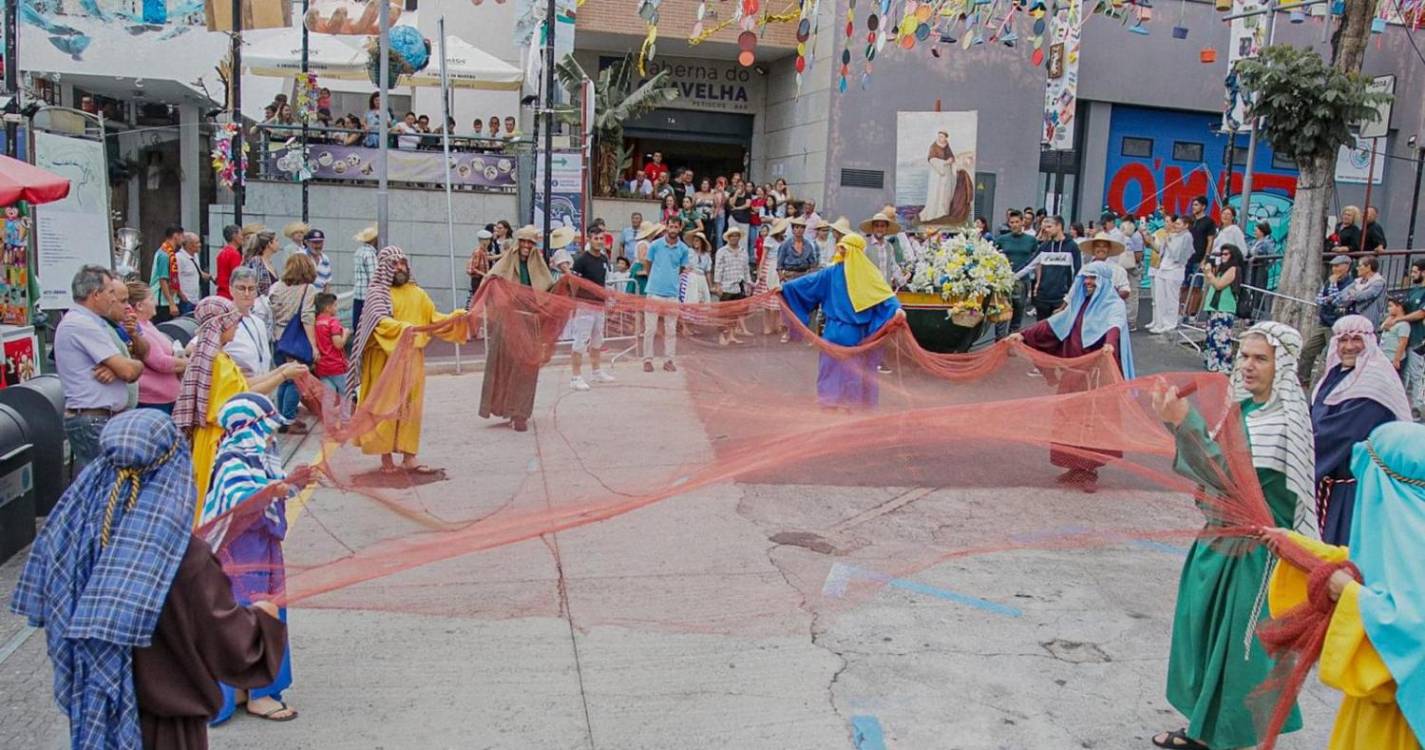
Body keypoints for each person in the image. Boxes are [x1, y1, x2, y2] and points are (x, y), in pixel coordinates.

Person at [9, 409, 288, 750]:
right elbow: (230, 646)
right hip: (168, 729)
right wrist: (262, 619)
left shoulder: (74, 538)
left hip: (98, 714)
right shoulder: (182, 555)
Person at [1149, 322, 1314, 750]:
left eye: (1261, 358)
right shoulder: (1244, 412)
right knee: (1203, 636)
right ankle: (1205, 728)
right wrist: (1180, 426)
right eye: (1243, 356)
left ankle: (1221, 738)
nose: (1247, 365)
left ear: (1282, 365)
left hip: (1254, 555)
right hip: (1220, 541)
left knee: (1239, 652)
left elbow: (1231, 478)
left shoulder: (1283, 424)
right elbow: (1214, 471)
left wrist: (1184, 424)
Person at [1264, 420, 1425, 750]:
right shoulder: (1408, 538)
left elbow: (1411, 630)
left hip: (1401, 723)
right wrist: (1297, 547)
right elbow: (1375, 567)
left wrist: (1348, 592)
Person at [197, 392, 300, 725]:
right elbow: (242, 498)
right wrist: (276, 491)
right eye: (266, 427)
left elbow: (272, 487)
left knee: (265, 611)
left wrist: (293, 483)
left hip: (261, 546)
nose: (271, 435)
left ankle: (247, 687)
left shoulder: (259, 458)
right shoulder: (232, 458)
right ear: (248, 428)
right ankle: (258, 693)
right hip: (238, 551)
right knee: (250, 615)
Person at [1007, 262, 1135, 491]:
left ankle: (1089, 471)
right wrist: (1023, 335)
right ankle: (1074, 466)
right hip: (1074, 374)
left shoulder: (1113, 304)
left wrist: (1109, 345)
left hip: (1096, 376)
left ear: (1104, 281)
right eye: (1086, 278)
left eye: (1093, 278)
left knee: (1091, 422)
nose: (1088, 282)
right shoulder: (1079, 303)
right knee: (1068, 418)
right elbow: (1054, 324)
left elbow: (1114, 326)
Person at [175, 297, 306, 514]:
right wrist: (283, 375)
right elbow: (243, 398)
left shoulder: (218, 357)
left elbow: (244, 385)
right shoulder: (217, 362)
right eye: (233, 322)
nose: (236, 326)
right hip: (218, 441)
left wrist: (280, 371)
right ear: (221, 325)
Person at [349, 247, 469, 469]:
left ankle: (409, 456)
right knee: (385, 408)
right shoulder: (378, 294)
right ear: (384, 267)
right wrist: (403, 329)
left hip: (413, 359)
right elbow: (379, 323)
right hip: (385, 360)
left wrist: (456, 318)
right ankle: (385, 457)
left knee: (411, 408)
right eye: (394, 264)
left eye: (403, 263)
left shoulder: (418, 293)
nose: (400, 268)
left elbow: (433, 319)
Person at [1310, 314, 1411, 545]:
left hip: (1354, 493)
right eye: (1342, 340)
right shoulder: (1335, 375)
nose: (1348, 347)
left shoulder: (1374, 383)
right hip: (1326, 485)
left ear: (1369, 341)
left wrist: (1295, 459)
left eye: (1356, 339)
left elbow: (1339, 434)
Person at [781, 232, 904, 409]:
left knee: (836, 369)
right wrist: (896, 309)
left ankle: (834, 402)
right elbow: (886, 297)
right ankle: (845, 403)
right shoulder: (862, 274)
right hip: (851, 334)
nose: (842, 253)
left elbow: (806, 284)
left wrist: (785, 289)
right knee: (848, 370)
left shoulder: (836, 273)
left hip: (840, 332)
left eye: (844, 249)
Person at [56, 266, 145, 470]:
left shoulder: (93, 323)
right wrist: (129, 366)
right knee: (107, 483)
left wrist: (119, 368)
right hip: (93, 419)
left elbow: (125, 366)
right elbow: (128, 371)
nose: (114, 299)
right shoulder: (81, 324)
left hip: (98, 418)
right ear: (95, 295)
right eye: (111, 292)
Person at [479, 227, 554, 432]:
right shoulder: (505, 263)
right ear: (517, 243)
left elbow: (547, 289)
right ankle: (505, 408)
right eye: (523, 241)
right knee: (505, 367)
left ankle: (520, 413)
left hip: (530, 324)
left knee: (527, 368)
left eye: (530, 243)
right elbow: (489, 283)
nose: (526, 246)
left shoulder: (539, 265)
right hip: (507, 323)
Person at [268, 254, 319, 430]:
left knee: (283, 378)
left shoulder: (276, 287)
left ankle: (281, 417)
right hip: (295, 340)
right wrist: (313, 345)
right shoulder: (308, 289)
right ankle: (288, 419)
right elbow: (307, 317)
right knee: (296, 379)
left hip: (277, 337)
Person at [640, 218, 692, 372]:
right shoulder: (655, 245)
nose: (673, 230)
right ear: (666, 227)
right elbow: (648, 263)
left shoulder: (683, 249)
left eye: (676, 227)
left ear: (680, 228)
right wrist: (653, 278)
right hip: (654, 291)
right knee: (650, 329)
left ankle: (669, 360)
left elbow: (682, 267)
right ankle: (647, 360)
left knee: (671, 330)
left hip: (672, 293)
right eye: (671, 226)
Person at [127, 281, 187, 413]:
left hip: (165, 399)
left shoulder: (147, 324)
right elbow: (160, 362)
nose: (155, 303)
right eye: (151, 299)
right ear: (139, 306)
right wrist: (189, 363)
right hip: (153, 402)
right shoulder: (139, 330)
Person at [1301, 254, 1356, 387]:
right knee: (1307, 350)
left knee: (1333, 355)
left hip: (1337, 324)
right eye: (1333, 266)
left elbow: (1338, 301)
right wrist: (1329, 297)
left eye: (1337, 266)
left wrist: (1333, 285)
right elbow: (1319, 299)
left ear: (1346, 266)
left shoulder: (1351, 284)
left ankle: (1333, 384)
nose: (1334, 269)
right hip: (1324, 321)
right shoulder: (1328, 281)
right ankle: (1303, 380)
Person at [568, 233, 615, 391]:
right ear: (589, 240)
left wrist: (607, 298)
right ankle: (576, 377)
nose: (599, 242)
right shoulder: (581, 260)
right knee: (580, 341)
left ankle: (596, 371)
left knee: (597, 340)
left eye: (601, 239)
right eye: (596, 238)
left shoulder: (603, 259)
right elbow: (574, 282)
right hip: (585, 305)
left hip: (599, 305)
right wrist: (575, 301)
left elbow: (604, 281)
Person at [1017, 215, 1081, 321]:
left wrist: (1070, 297)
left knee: (1059, 329)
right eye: (1045, 227)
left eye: (1049, 227)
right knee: (1041, 329)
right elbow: (1028, 265)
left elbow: (1078, 273)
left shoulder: (1072, 247)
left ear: (1059, 226)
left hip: (1062, 298)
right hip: (1043, 297)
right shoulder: (1044, 246)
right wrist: (1011, 277)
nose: (1046, 230)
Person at [1387, 259, 1425, 416]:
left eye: (1415, 272)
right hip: (1406, 338)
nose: (1412, 274)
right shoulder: (1414, 291)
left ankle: (1418, 407)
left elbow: (1421, 313)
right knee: (1404, 373)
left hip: (1419, 339)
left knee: (1416, 374)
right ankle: (1400, 405)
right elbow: (1402, 309)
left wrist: (1399, 319)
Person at [1201, 243, 1245, 374]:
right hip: (1215, 307)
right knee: (1211, 336)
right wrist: (1208, 271)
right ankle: (1213, 363)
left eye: (1226, 254)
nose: (1223, 257)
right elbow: (1211, 283)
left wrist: (1210, 274)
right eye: (1222, 254)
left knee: (1221, 337)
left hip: (1224, 307)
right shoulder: (1222, 269)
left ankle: (1223, 365)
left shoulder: (1233, 269)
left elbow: (1219, 285)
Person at [994, 210, 1039, 336]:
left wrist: (1038, 281)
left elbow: (1037, 262)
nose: (1014, 225)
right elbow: (994, 258)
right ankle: (999, 339)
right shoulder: (1001, 239)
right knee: (1002, 312)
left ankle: (1013, 339)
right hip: (1004, 281)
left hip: (1022, 281)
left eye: (1017, 222)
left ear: (1022, 222)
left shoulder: (1031, 240)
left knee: (1018, 311)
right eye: (1012, 222)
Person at [224, 267, 274, 380]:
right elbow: (194, 352)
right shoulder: (223, 321)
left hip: (260, 385)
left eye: (251, 289)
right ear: (231, 290)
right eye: (241, 288)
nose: (247, 294)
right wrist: (231, 370)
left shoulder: (259, 323)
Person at [1149, 216, 1193, 335]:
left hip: (1174, 271)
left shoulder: (1187, 237)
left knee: (1171, 298)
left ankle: (1170, 323)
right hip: (1163, 268)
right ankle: (1159, 322)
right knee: (1160, 298)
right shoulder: (1172, 235)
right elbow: (1161, 251)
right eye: (1175, 223)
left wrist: (1169, 242)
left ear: (1186, 225)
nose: (1175, 226)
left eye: (1178, 224)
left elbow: (1178, 256)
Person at [714, 226, 752, 346]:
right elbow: (718, 269)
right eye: (732, 236)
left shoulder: (743, 251)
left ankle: (731, 335)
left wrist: (748, 283)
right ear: (728, 237)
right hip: (726, 286)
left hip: (739, 286)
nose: (734, 238)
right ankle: (721, 336)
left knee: (736, 313)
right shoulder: (722, 251)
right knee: (723, 313)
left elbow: (746, 269)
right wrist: (718, 284)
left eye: (736, 235)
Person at [1331, 254, 1387, 328]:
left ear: (1368, 267)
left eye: (1360, 266)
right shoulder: (1357, 281)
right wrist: (1353, 295)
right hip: (1352, 317)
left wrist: (1352, 293)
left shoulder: (1379, 282)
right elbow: (1342, 294)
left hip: (1368, 321)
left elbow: (1363, 296)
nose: (1357, 268)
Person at [1183, 196, 1216, 316]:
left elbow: (1210, 241)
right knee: (1184, 286)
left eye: (1196, 205)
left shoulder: (1209, 222)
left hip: (1199, 258)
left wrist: (1205, 258)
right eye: (1193, 205)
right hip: (1186, 259)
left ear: (1203, 207)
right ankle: (1182, 312)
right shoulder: (1190, 220)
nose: (1193, 207)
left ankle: (1192, 314)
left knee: (1197, 287)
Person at [312, 292, 349, 397]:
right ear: (328, 308)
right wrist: (345, 334)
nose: (337, 308)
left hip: (321, 366)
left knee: (328, 397)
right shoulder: (332, 321)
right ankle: (346, 409)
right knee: (346, 395)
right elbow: (338, 344)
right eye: (335, 305)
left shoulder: (315, 322)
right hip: (336, 366)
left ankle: (329, 410)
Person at [860, 212, 909, 288]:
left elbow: (893, 266)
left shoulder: (889, 246)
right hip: (870, 289)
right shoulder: (865, 245)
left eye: (882, 226)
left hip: (885, 289)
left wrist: (902, 280)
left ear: (886, 228)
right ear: (873, 228)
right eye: (877, 226)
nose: (879, 229)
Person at [150, 224, 184, 322]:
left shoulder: (169, 253)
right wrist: (171, 303)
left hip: (168, 300)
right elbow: (163, 280)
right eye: (182, 236)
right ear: (175, 236)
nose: (183, 239)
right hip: (162, 301)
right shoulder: (164, 255)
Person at [243, 230, 280, 305]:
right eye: (276, 240)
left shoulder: (269, 262)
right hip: (259, 305)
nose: (278, 243)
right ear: (269, 244)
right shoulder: (256, 261)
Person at [352, 225, 378, 330]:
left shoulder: (359, 251)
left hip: (358, 293)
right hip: (367, 295)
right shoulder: (370, 254)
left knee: (357, 325)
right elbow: (374, 277)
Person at [176, 232, 206, 314]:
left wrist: (211, 277)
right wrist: (181, 295)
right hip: (185, 300)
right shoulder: (178, 258)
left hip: (195, 299)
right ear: (189, 245)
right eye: (197, 243)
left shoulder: (195, 256)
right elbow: (174, 278)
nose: (200, 245)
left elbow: (198, 272)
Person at [1380, 296, 1411, 376]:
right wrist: (1391, 317)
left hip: (1393, 358)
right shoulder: (1391, 320)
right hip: (1385, 357)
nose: (1388, 309)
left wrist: (1396, 360)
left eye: (1391, 306)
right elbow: (1382, 327)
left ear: (1399, 307)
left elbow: (1403, 343)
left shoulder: (1403, 324)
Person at [215, 225, 243, 300]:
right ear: (234, 236)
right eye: (241, 234)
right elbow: (237, 276)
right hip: (230, 294)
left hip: (221, 292)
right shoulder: (234, 254)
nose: (242, 237)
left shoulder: (222, 252)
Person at [467, 229, 493, 303]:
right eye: (486, 240)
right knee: (478, 299)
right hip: (477, 279)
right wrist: (484, 274)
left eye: (488, 240)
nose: (488, 242)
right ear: (481, 241)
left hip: (482, 278)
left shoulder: (484, 251)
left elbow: (489, 258)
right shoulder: (477, 252)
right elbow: (473, 268)